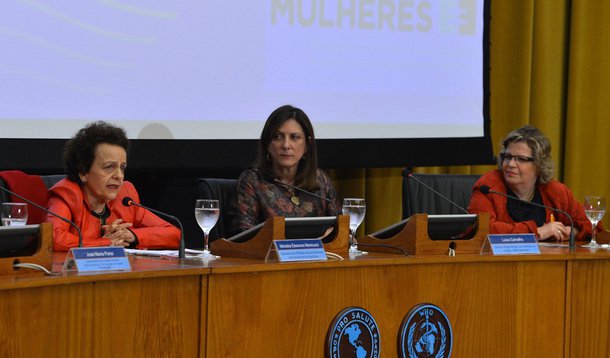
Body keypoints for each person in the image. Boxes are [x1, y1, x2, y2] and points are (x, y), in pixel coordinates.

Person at [47, 121, 180, 251]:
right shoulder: (66, 195)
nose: (119, 176)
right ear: (83, 172)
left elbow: (175, 234)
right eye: (109, 167)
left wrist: (131, 235)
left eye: (122, 168)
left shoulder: (125, 196)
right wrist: (107, 242)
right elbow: (54, 238)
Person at [468, 125, 596, 241]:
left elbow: (593, 225)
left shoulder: (555, 192)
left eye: (521, 159)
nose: (510, 164)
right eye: (507, 157)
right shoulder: (488, 186)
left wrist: (571, 231)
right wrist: (538, 232)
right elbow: (480, 230)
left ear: (539, 164)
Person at [231, 105, 340, 233]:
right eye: (278, 137)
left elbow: (342, 232)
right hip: (269, 253)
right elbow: (242, 235)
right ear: (268, 144)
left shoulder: (321, 180)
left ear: (307, 145)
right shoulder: (253, 181)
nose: (286, 145)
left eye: (294, 137)